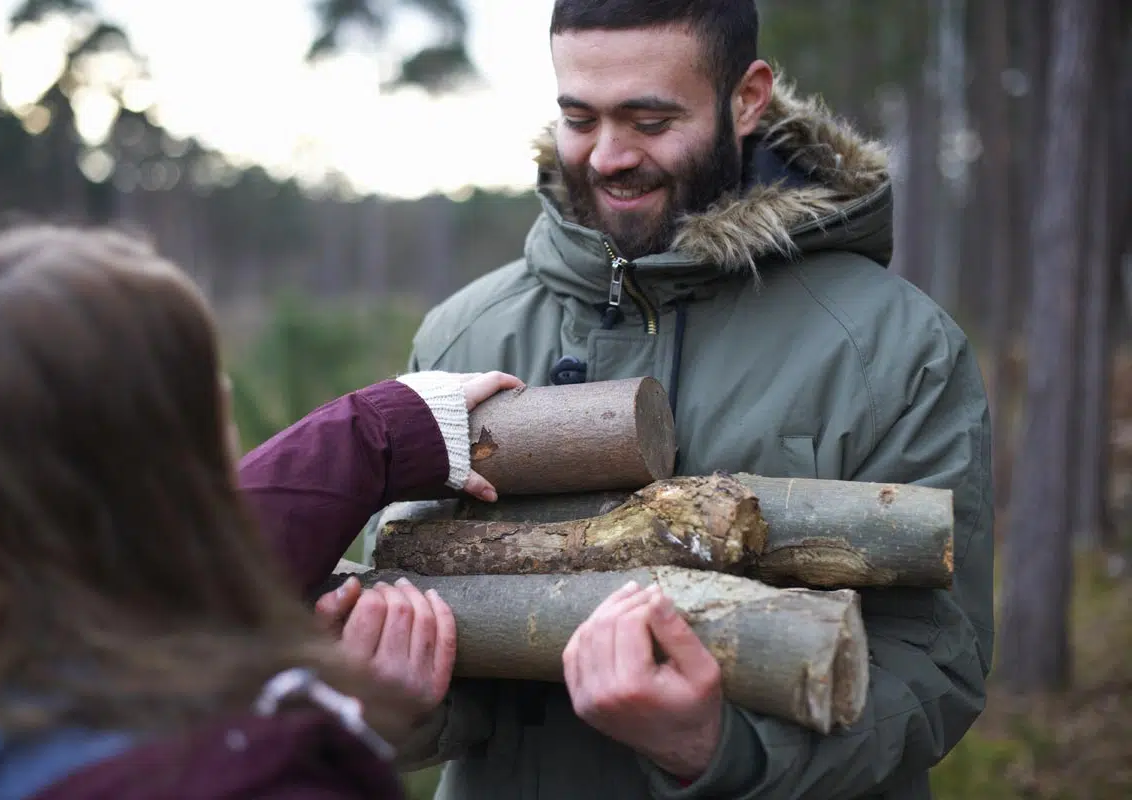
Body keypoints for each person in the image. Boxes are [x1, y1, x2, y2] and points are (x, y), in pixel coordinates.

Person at [304, 1, 995, 798]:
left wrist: (716, 749)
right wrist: (393, 707)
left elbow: (935, 665)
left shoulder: (894, 349)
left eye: (649, 120)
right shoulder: (465, 335)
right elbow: (420, 620)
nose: (607, 156)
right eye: (579, 117)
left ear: (747, 97)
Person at [0, 222, 523, 799]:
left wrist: (381, 432)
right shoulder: (254, 774)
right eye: (212, 397)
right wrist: (343, 731)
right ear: (180, 453)